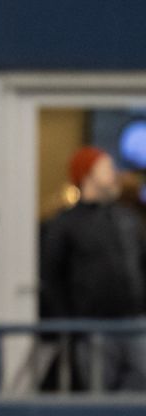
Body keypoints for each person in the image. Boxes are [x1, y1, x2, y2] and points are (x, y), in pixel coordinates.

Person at [40, 146, 146, 391]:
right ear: (87, 175)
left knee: (139, 391)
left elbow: (140, 264)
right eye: (107, 168)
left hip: (135, 323)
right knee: (99, 395)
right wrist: (70, 325)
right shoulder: (65, 224)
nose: (115, 175)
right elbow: (52, 277)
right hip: (93, 329)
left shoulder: (126, 219)